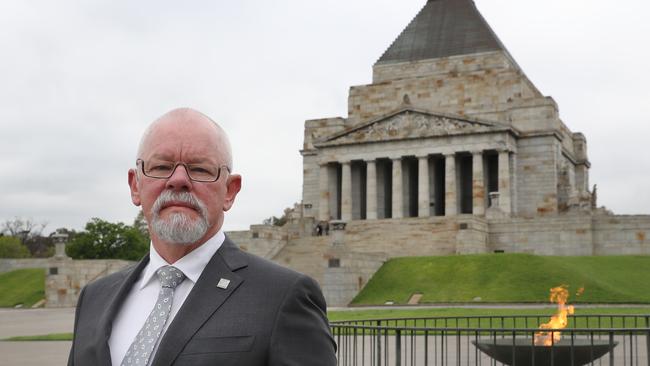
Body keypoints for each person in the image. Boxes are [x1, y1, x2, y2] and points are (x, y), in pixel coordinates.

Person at [68, 108, 337, 365]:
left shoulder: (282, 296)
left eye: (200, 169)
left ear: (230, 191)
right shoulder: (95, 297)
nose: (179, 180)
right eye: (161, 167)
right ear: (135, 186)